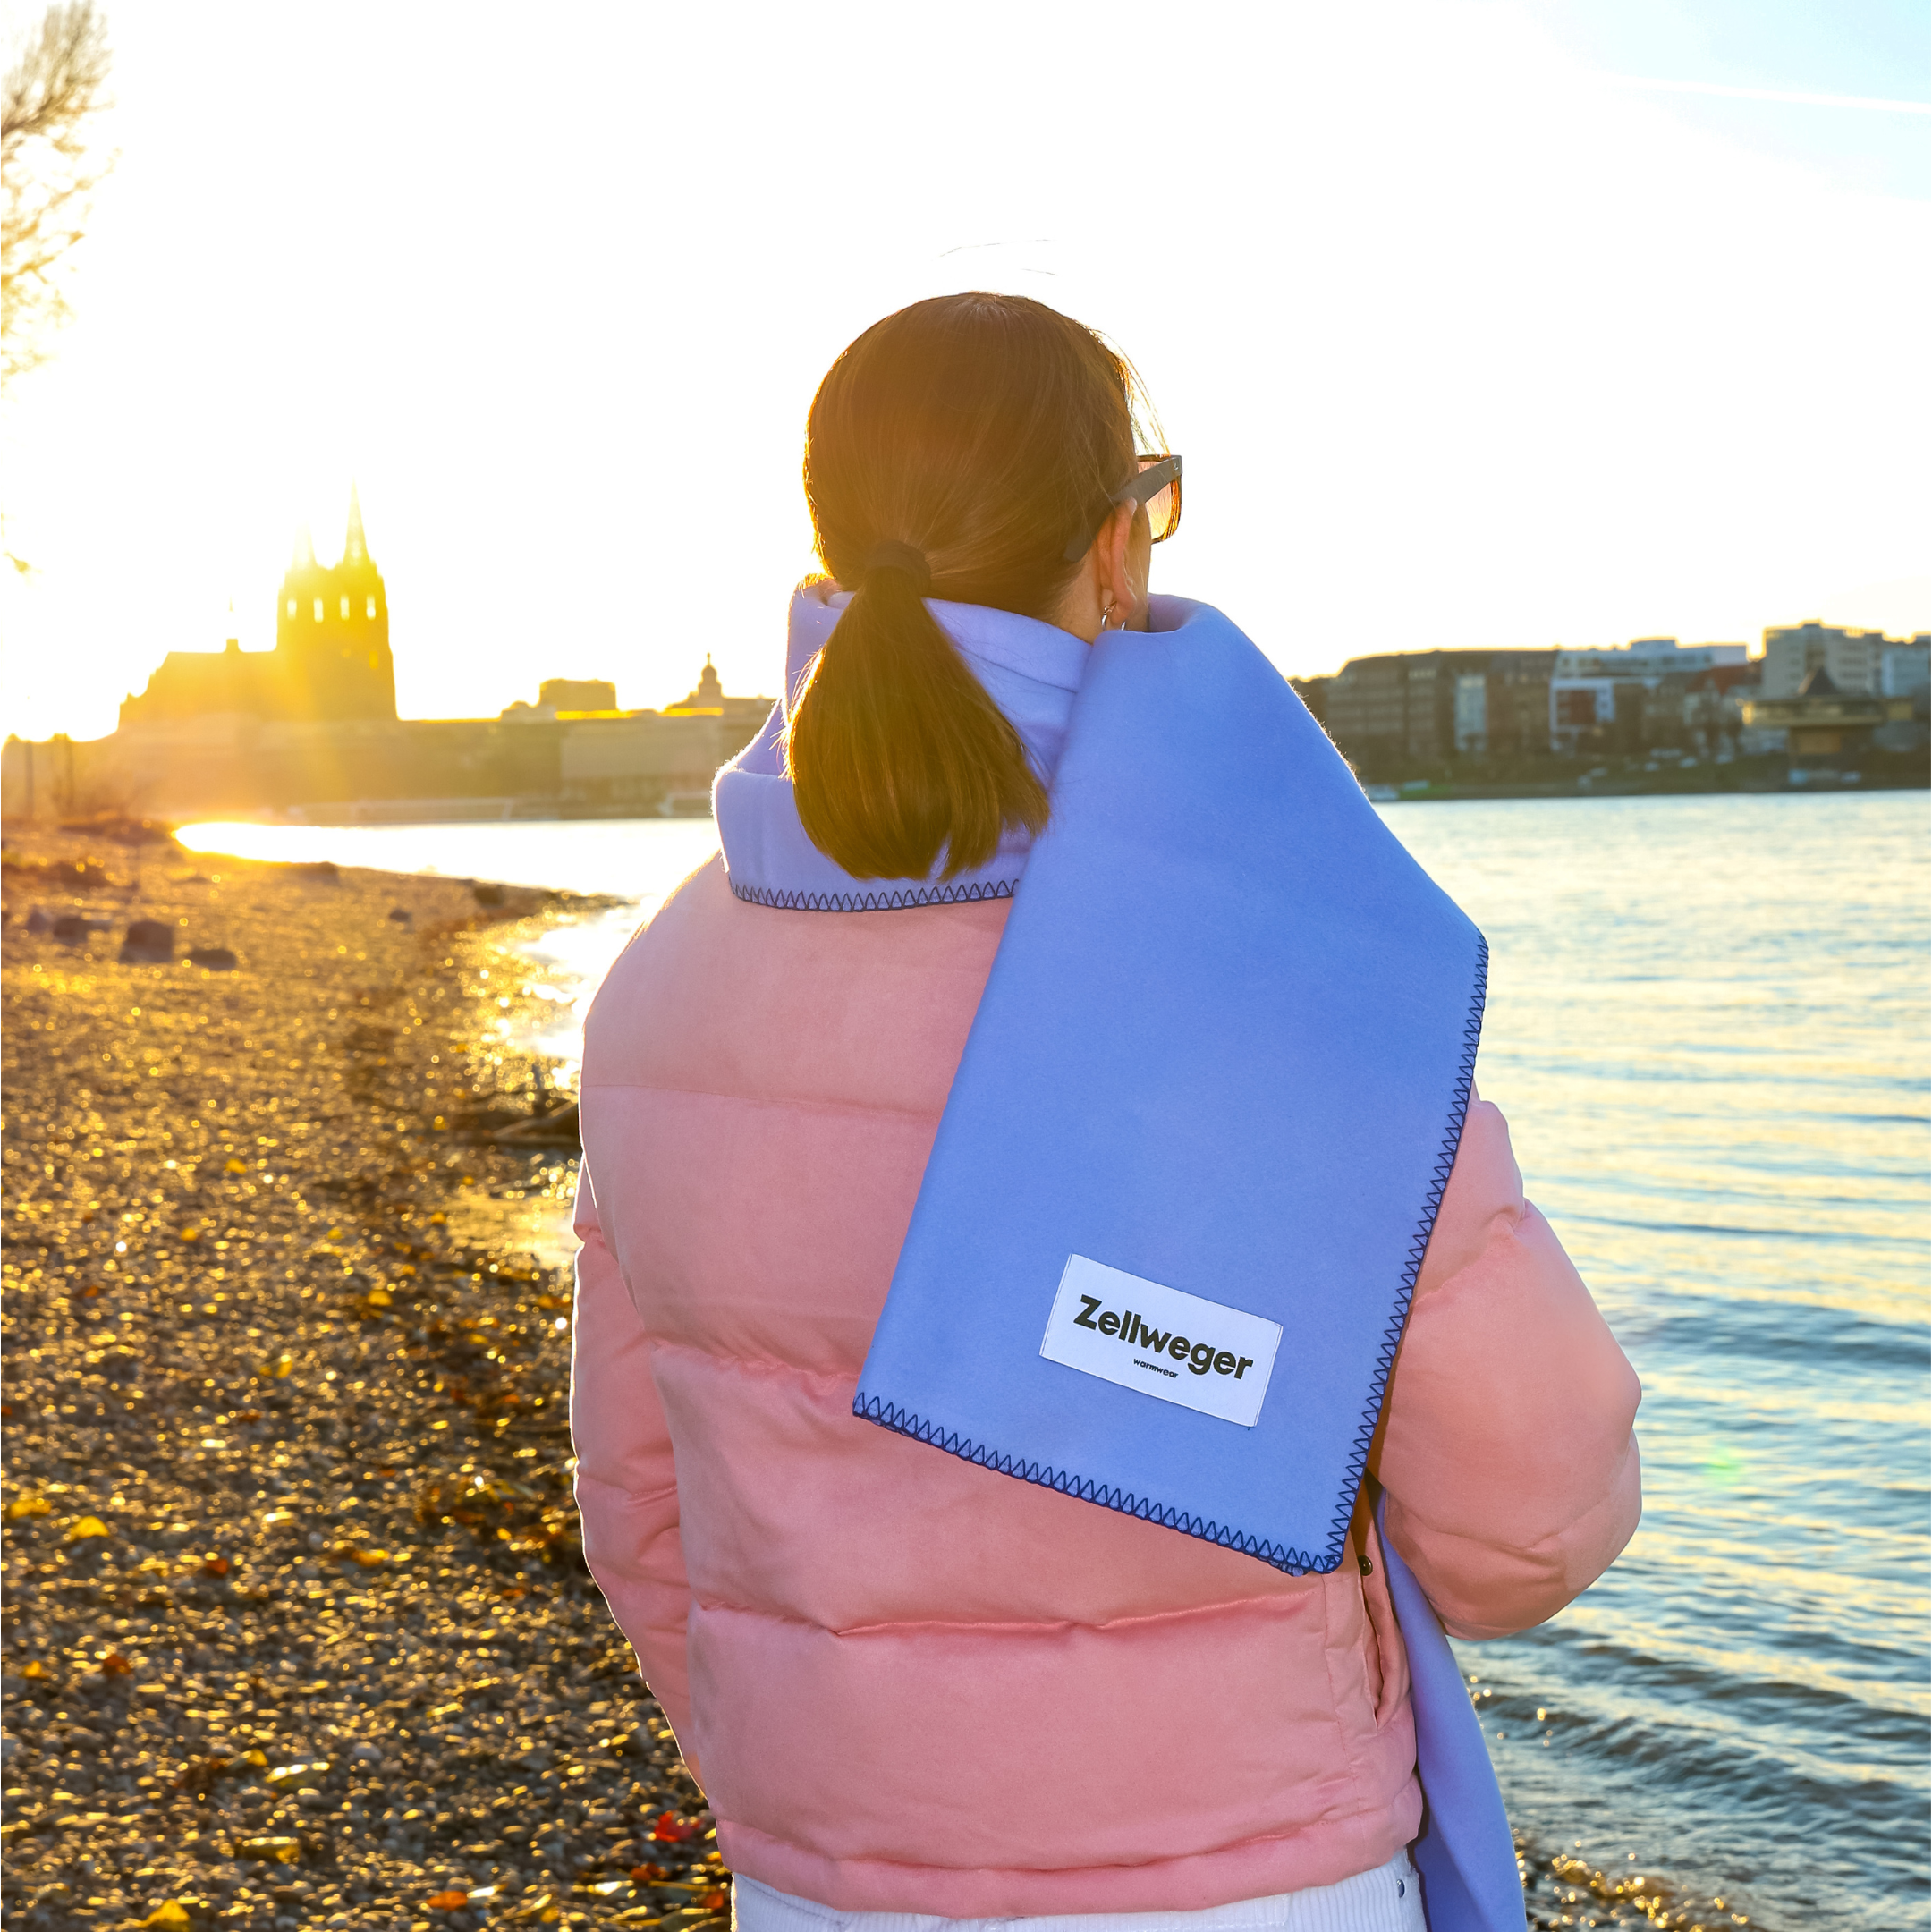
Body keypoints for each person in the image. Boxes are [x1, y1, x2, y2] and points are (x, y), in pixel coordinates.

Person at [569, 292, 1641, 1932]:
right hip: (1248, 1873)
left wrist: (813, 1774)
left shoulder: (660, 981)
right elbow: (1532, 1515)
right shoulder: (1285, 966)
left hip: (817, 1874)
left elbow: (639, 1503)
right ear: (1117, 547)